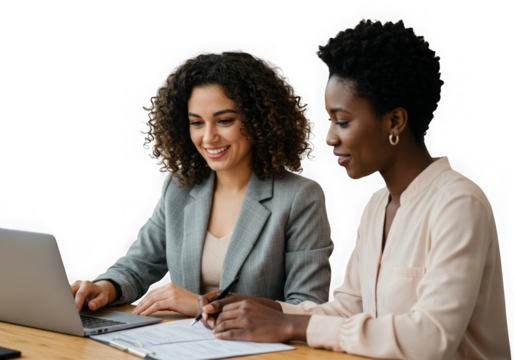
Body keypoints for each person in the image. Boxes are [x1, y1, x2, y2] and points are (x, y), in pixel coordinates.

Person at [197, 20, 511, 359]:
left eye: (342, 121)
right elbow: (349, 310)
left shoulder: (459, 204)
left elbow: (431, 339)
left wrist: (293, 327)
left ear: (394, 122)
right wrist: (275, 312)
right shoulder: (378, 205)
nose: (330, 137)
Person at [70, 50, 335, 318]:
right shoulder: (179, 187)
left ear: (258, 121)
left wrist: (202, 304)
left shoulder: (300, 196)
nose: (208, 137)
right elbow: (137, 265)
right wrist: (105, 287)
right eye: (196, 123)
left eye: (224, 121)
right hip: (183, 347)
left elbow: (308, 305)